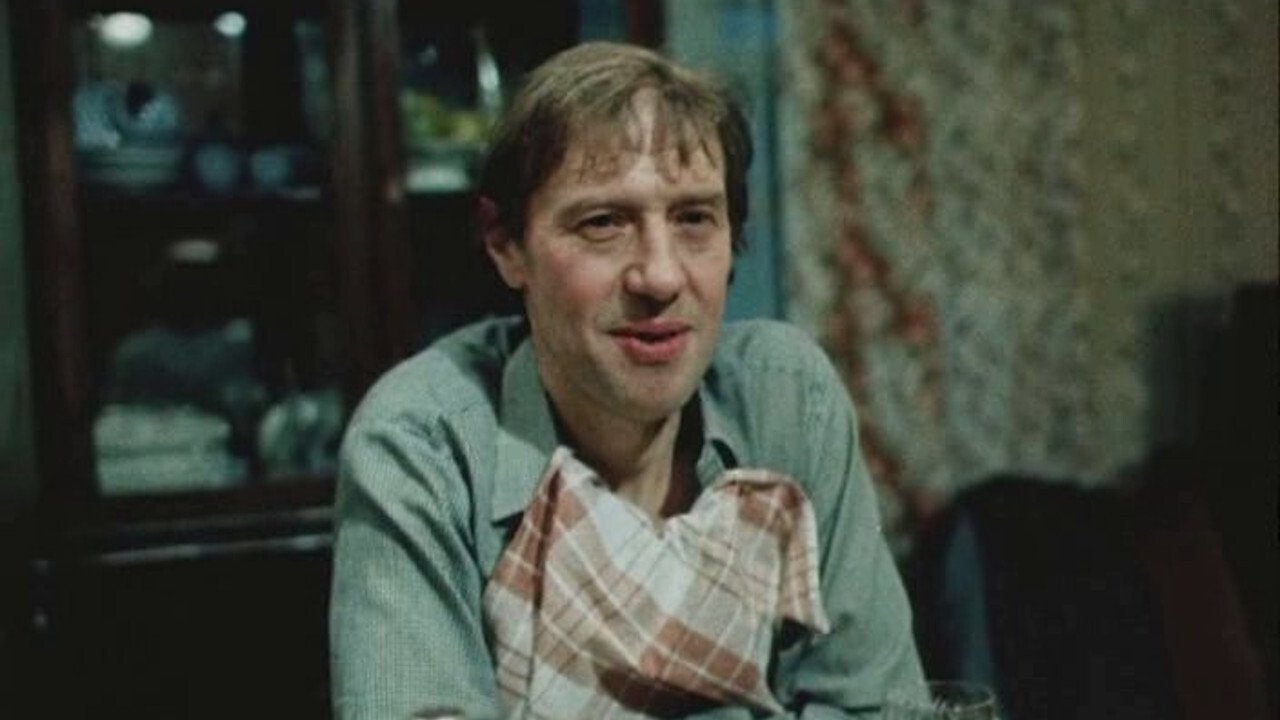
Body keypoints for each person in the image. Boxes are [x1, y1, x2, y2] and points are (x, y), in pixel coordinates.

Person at [330, 42, 924, 719]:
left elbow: (880, 706)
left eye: (694, 218)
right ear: (505, 244)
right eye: (604, 224)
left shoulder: (787, 399)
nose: (661, 276)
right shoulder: (425, 444)